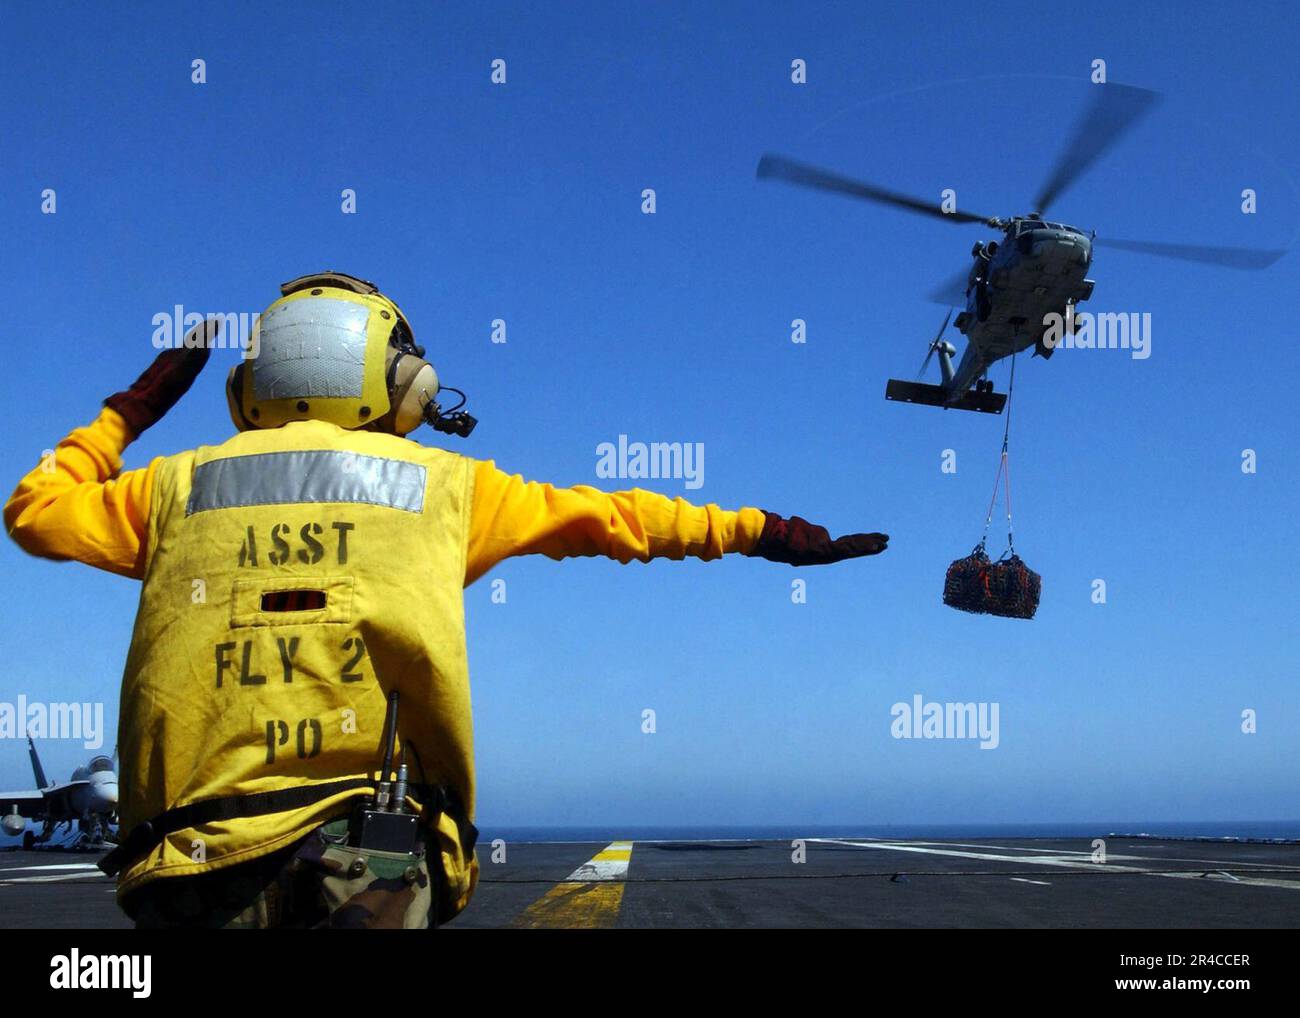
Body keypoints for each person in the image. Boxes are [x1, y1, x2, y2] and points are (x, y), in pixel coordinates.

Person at [4, 272, 889, 928]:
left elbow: (33, 514)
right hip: (369, 863)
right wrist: (763, 530)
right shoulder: (449, 487)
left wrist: (127, 411)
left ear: (250, 388)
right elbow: (622, 518)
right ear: (394, 382)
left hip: (189, 867)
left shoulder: (170, 489)